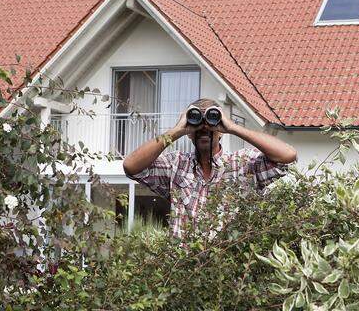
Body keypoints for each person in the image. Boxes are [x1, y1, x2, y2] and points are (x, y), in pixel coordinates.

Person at [122, 98, 297, 238]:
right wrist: (177, 130)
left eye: (211, 123)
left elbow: (287, 157)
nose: (203, 129)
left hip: (229, 273)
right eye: (197, 124)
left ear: (220, 131)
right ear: (189, 133)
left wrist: (232, 127)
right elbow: (131, 166)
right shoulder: (175, 164)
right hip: (183, 272)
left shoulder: (243, 164)